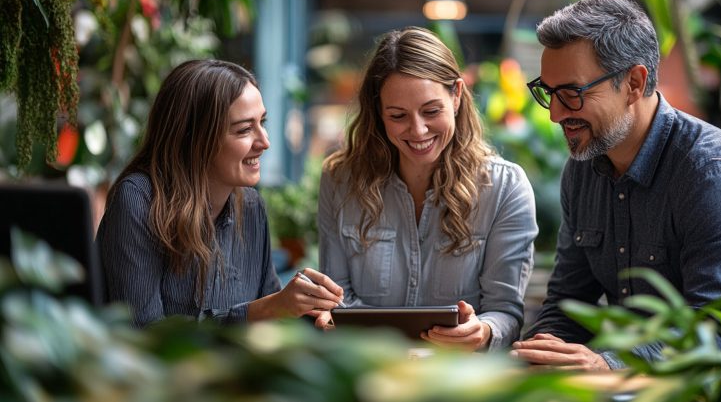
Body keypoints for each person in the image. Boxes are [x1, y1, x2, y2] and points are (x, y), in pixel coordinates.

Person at [511, 0, 721, 369]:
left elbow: (719, 332)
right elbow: (568, 306)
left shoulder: (714, 173)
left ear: (634, 82)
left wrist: (606, 365)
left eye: (571, 93)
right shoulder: (583, 168)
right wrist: (537, 355)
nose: (554, 114)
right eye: (549, 93)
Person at [317, 27, 538, 351]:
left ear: (457, 95)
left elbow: (504, 312)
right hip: (366, 372)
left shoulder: (505, 188)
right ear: (378, 112)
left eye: (431, 111)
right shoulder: (340, 180)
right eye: (397, 115)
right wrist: (327, 316)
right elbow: (337, 298)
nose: (418, 129)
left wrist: (484, 331)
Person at [97, 59, 343, 328]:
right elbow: (144, 337)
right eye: (245, 129)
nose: (265, 142)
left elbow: (270, 319)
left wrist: (309, 312)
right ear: (194, 138)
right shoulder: (138, 201)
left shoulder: (251, 207)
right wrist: (257, 312)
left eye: (262, 122)